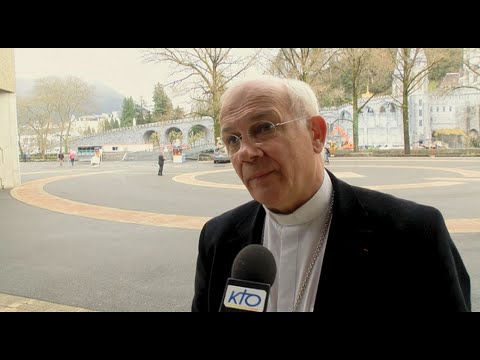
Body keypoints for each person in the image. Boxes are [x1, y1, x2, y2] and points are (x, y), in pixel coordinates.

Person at [191, 76, 471, 312]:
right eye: (232, 139)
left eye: (264, 128)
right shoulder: (217, 238)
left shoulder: (414, 235)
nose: (246, 153)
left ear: (316, 134)